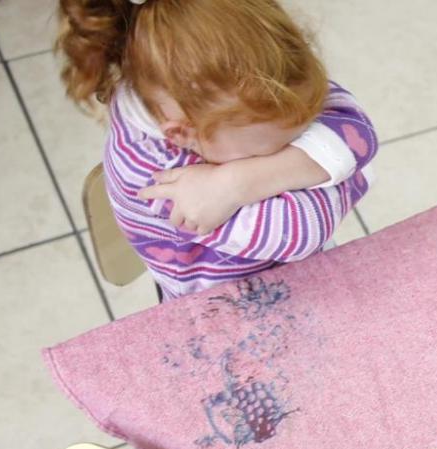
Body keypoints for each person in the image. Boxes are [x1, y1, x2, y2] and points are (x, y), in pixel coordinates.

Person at [58, 0, 378, 299]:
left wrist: (240, 181)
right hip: (222, 302)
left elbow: (358, 131)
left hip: (292, 271)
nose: (294, 148)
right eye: (273, 149)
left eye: (303, 131)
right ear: (184, 134)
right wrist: (342, 168)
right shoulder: (153, 170)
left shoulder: (252, 75)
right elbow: (303, 231)